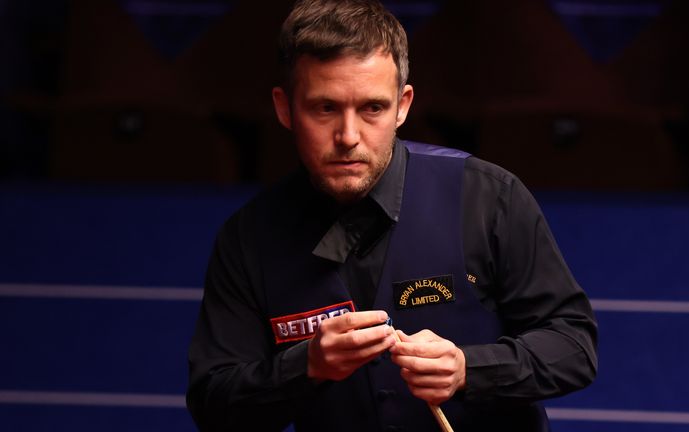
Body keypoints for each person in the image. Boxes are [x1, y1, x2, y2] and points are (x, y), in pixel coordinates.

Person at [186, 0, 598, 431]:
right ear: (285, 108)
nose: (348, 137)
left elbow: (574, 345)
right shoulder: (249, 238)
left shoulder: (487, 196)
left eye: (372, 109)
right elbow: (214, 404)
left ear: (402, 105)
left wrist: (467, 368)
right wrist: (304, 365)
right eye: (324, 108)